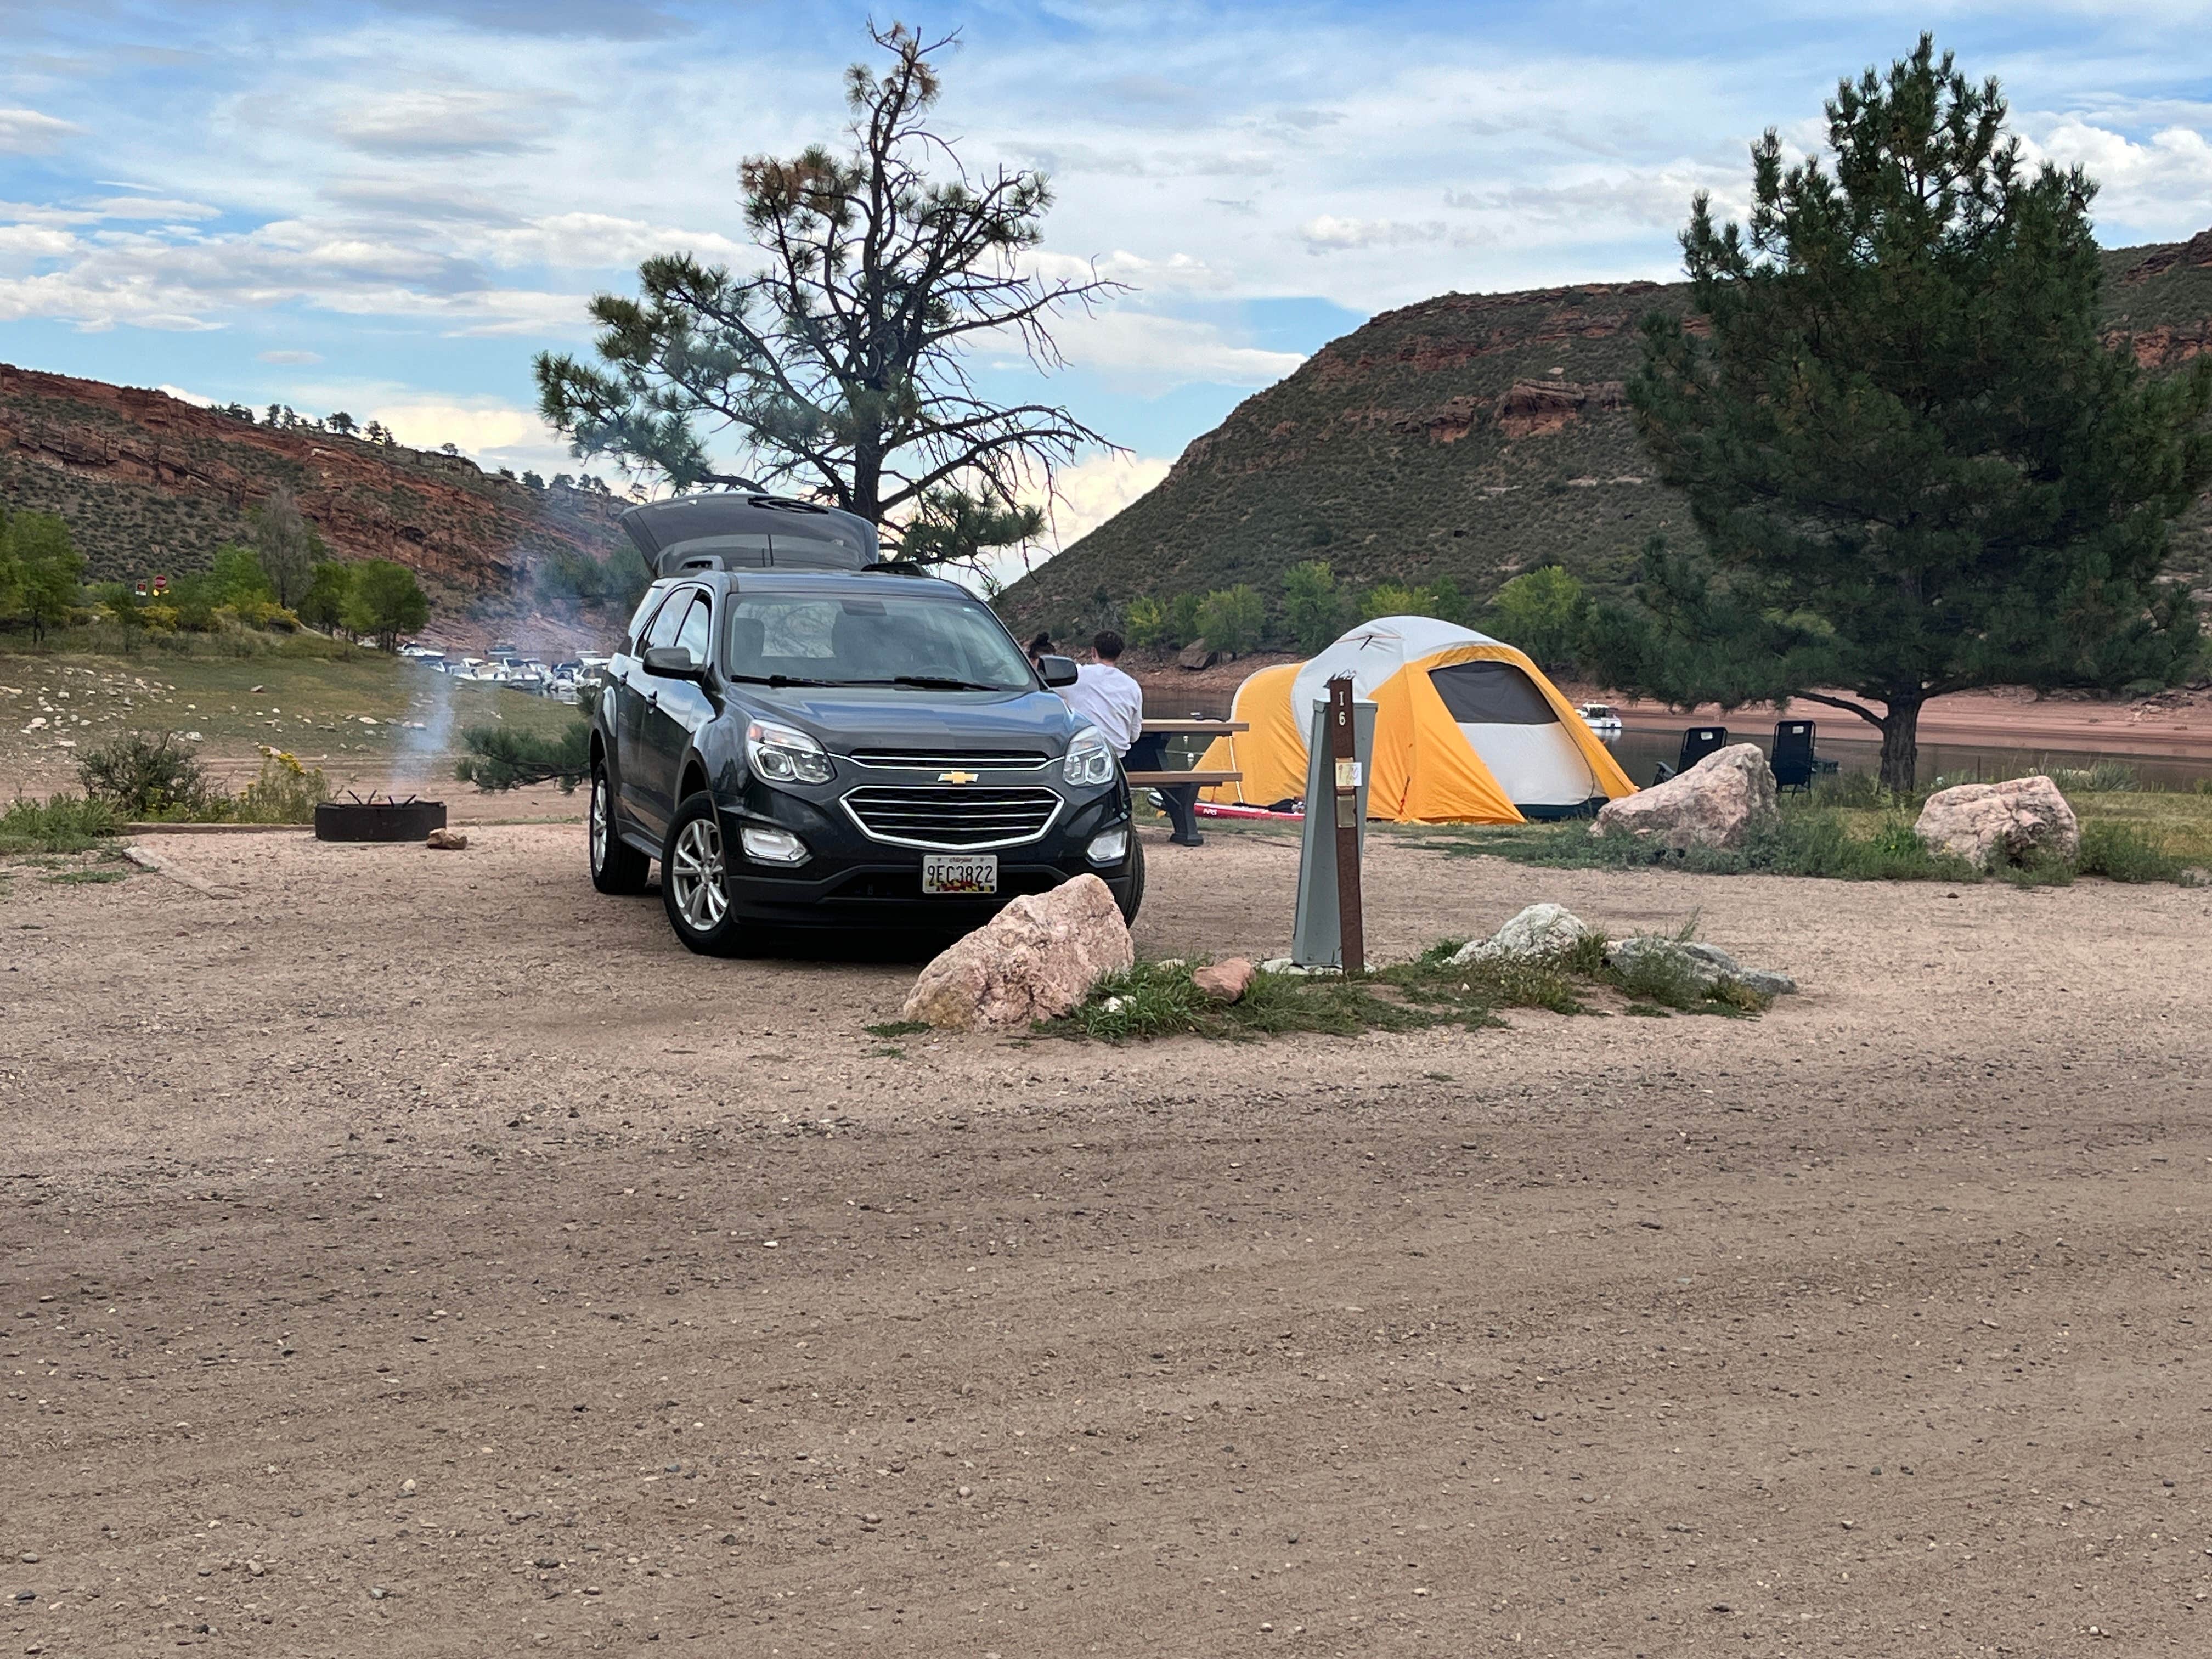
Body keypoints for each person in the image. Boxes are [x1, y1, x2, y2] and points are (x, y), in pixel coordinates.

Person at [1059, 629, 1205, 846]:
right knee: (1148, 757)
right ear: (1119, 655)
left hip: (1084, 759)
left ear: (1093, 652)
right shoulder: (1131, 686)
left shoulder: (1076, 677)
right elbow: (1134, 734)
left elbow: (1048, 691)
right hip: (1120, 760)